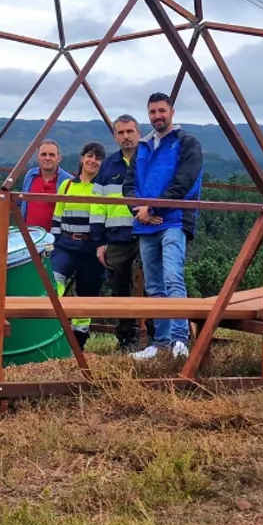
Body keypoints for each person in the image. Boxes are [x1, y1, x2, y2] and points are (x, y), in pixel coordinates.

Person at [122, 92, 203, 360]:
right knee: (154, 284)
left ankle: (180, 341)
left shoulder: (187, 142)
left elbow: (185, 181)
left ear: (172, 112)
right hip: (146, 224)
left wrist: (153, 209)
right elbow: (129, 185)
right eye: (153, 112)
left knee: (172, 278)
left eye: (161, 111)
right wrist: (140, 211)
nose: (157, 116)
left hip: (174, 220)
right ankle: (161, 343)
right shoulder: (143, 146)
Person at [49, 142, 107, 350]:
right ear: (82, 158)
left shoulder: (102, 188)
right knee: (54, 283)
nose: (93, 161)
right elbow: (57, 217)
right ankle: (53, 330)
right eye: (89, 156)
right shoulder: (66, 186)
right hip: (66, 244)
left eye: (98, 158)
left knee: (87, 294)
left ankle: (78, 343)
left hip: (91, 247)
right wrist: (53, 244)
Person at [96, 115, 143, 351]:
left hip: (146, 232)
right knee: (119, 288)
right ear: (115, 137)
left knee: (151, 286)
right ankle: (126, 338)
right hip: (116, 237)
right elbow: (97, 205)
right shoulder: (108, 166)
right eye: (121, 133)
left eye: (130, 131)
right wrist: (100, 242)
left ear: (139, 133)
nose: (126, 137)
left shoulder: (148, 158)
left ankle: (155, 336)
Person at [20, 140, 73, 230]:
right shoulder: (30, 175)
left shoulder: (68, 180)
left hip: (54, 238)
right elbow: (22, 202)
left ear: (59, 158)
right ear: (38, 157)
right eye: (43, 154)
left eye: (51, 155)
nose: (47, 158)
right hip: (28, 235)